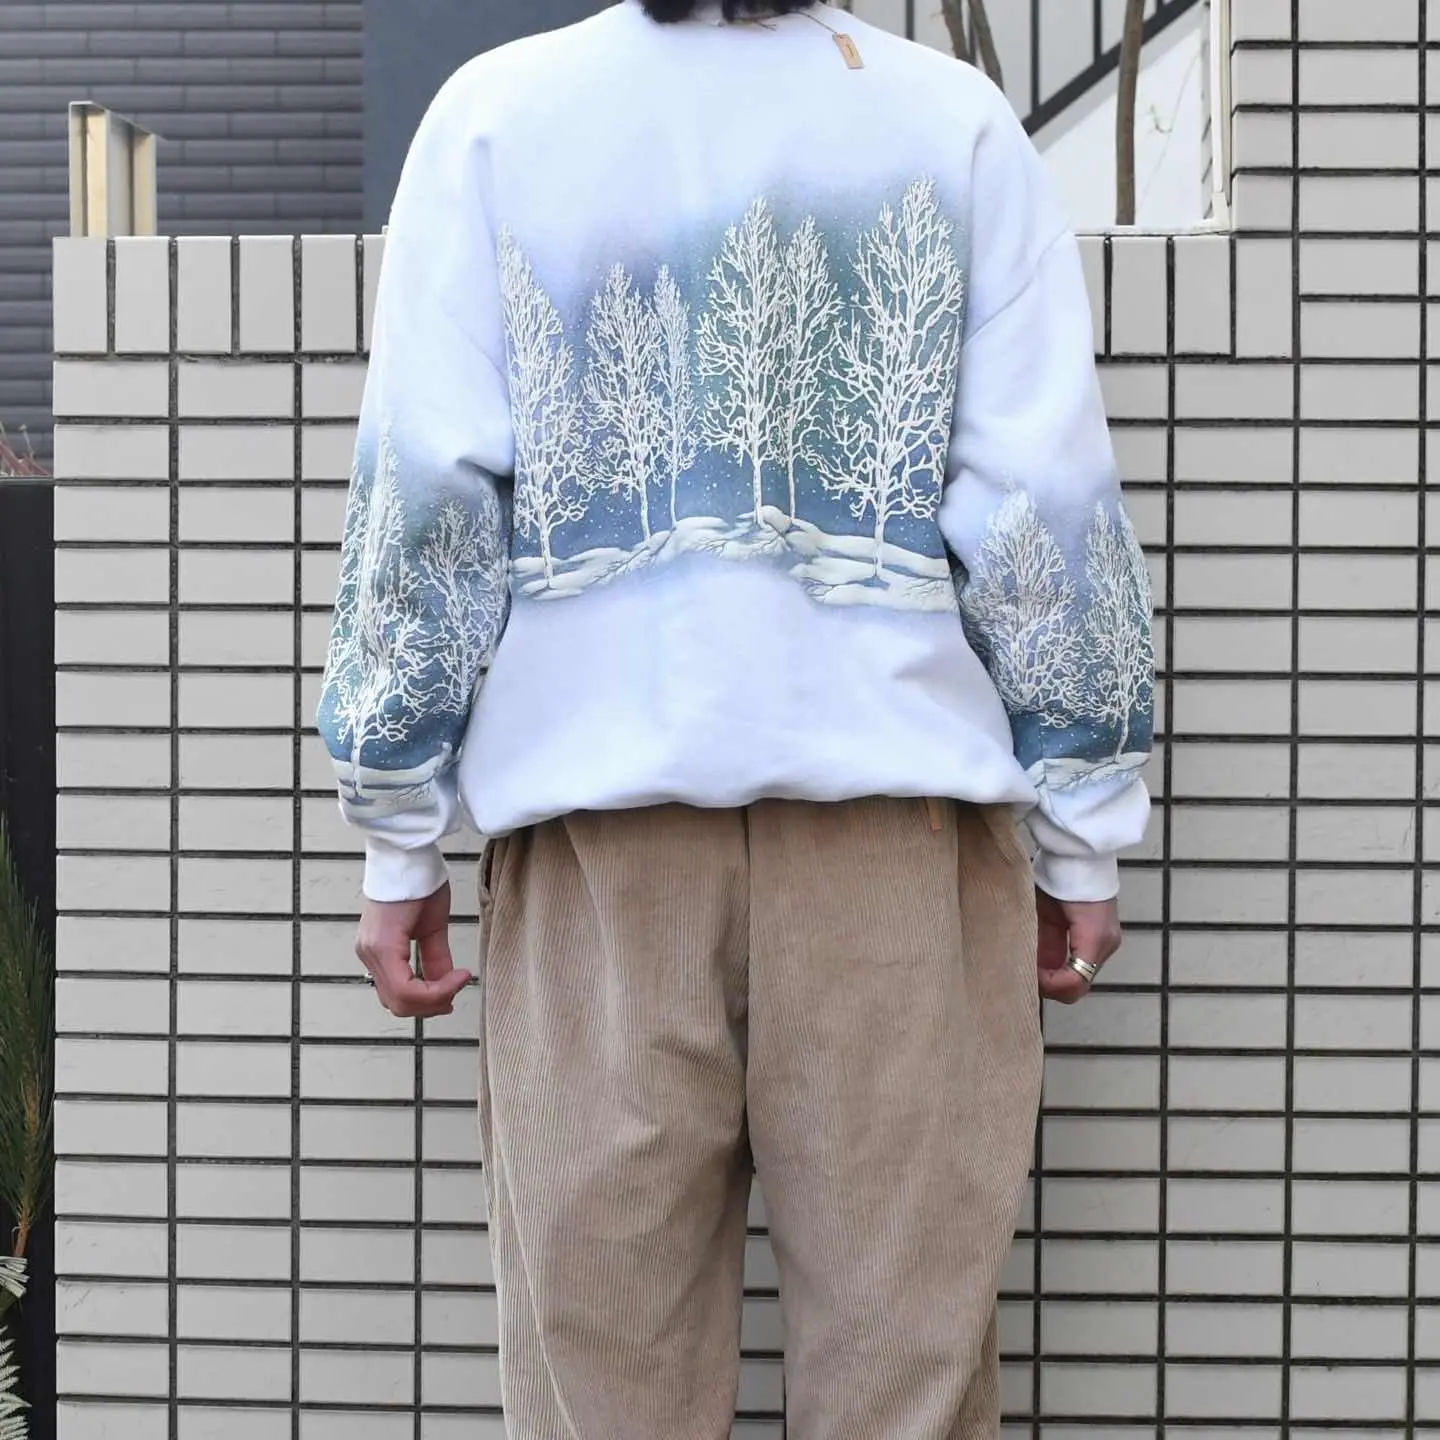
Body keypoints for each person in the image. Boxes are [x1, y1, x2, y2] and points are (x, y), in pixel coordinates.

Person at [317, 0, 1154, 1433]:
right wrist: (1084, 826)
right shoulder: (948, 123)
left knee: (604, 1395)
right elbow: (1043, 501)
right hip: (897, 856)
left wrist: (399, 834)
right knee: (905, 1392)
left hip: (602, 871)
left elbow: (428, 500)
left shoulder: (498, 118)